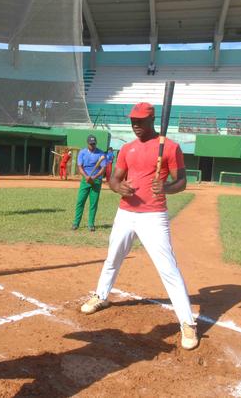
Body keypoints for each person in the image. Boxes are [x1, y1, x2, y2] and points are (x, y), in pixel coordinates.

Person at [80, 102, 199, 351]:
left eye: (140, 121)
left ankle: (187, 323)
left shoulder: (170, 147)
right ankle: (101, 296)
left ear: (152, 120)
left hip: (153, 216)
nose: (135, 125)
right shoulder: (127, 148)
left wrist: (165, 187)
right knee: (113, 258)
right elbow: (114, 178)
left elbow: (182, 182)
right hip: (125, 213)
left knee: (168, 268)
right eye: (133, 120)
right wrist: (117, 186)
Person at [71, 135, 106, 231]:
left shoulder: (101, 154)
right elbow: (80, 167)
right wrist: (86, 177)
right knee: (80, 202)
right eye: (91, 144)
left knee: (93, 203)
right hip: (85, 180)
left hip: (96, 181)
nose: (92, 145)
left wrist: (94, 177)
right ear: (87, 144)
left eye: (94, 144)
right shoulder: (82, 152)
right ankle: (76, 223)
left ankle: (91, 224)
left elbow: (103, 168)